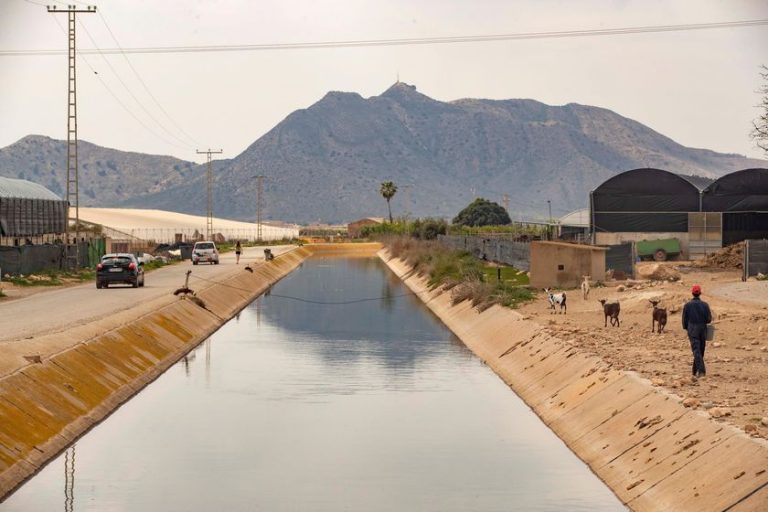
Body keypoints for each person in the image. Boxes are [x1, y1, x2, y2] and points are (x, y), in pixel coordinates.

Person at [682, 284, 712, 379]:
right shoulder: (705, 305)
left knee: (696, 350)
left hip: (692, 329)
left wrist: (688, 328)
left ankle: (701, 371)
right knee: (700, 350)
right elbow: (709, 319)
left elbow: (684, 321)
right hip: (702, 329)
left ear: (692, 293)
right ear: (700, 293)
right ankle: (695, 371)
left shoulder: (687, 305)